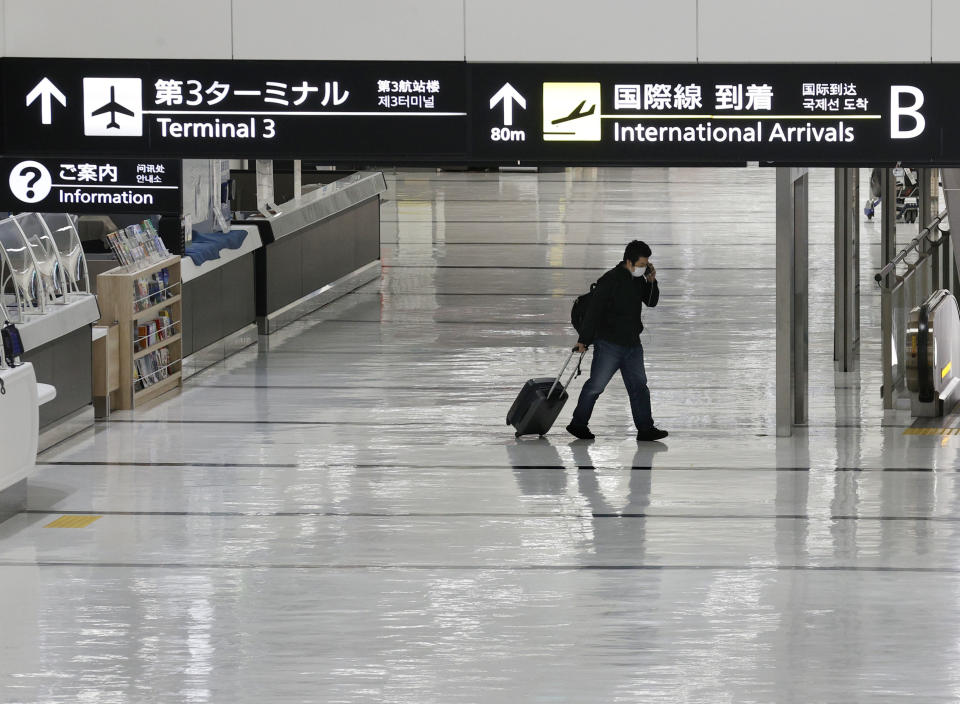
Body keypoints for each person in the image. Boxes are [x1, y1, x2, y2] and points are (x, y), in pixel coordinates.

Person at [566, 240, 668, 442]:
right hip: (609, 345)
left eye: (646, 265)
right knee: (596, 386)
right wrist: (583, 340)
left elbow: (651, 301)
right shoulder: (610, 280)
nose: (643, 268)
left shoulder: (638, 279)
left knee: (639, 387)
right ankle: (578, 424)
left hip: (632, 345)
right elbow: (593, 312)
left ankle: (645, 428)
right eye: (640, 265)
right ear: (628, 261)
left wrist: (651, 280)